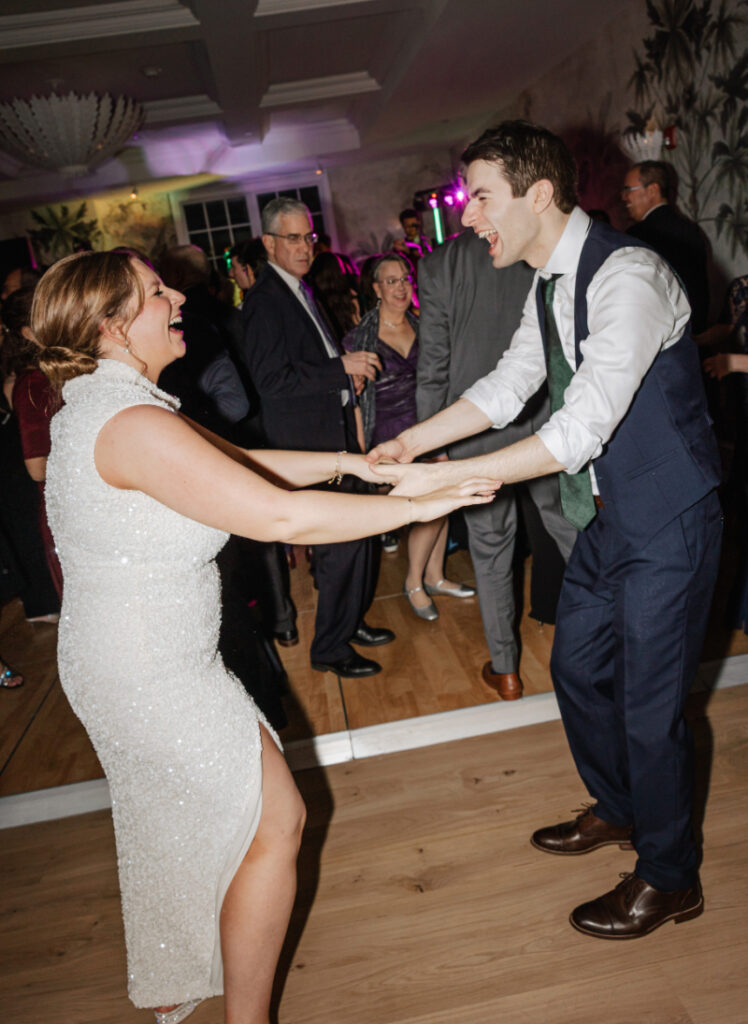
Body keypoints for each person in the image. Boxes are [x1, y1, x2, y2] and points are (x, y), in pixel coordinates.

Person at [34, 249, 496, 1024]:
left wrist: (361, 466)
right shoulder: (129, 421)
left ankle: (190, 985)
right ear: (114, 326)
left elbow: (239, 461)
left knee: (192, 825)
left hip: (134, 659)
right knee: (275, 819)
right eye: (155, 292)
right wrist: (417, 508)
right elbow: (276, 516)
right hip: (148, 672)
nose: (178, 294)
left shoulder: (108, 406)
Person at [369, 120, 722, 940]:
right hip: (608, 516)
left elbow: (576, 431)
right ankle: (625, 809)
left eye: (481, 198)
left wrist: (448, 480)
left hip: (667, 519)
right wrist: (413, 442)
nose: (467, 219)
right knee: (573, 667)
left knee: (649, 709)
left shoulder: (627, 277)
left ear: (538, 194)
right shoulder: (546, 282)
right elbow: (510, 384)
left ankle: (671, 879)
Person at [417, 229, 576, 697]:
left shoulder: (438, 263)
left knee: (490, 552)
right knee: (568, 530)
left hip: (473, 430)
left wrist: (431, 439)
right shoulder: (533, 245)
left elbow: (434, 363)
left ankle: (506, 671)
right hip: (543, 419)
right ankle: (609, 637)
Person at [238, 197, 392, 679]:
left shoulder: (297, 290)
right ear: (268, 244)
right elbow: (270, 382)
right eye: (293, 238)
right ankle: (329, 648)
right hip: (309, 446)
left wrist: (346, 381)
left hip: (333, 433)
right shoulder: (265, 300)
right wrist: (339, 368)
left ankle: (349, 622)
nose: (306, 246)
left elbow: (311, 366)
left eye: (309, 236)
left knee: (357, 538)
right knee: (342, 544)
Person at [344, 252, 475, 620]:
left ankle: (435, 576)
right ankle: (414, 582)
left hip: (433, 426)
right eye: (391, 281)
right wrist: (358, 448)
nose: (401, 287)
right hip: (389, 433)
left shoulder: (425, 326)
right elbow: (353, 400)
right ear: (376, 289)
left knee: (445, 500)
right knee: (425, 509)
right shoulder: (361, 337)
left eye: (405, 279)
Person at [622, 160, 710, 332]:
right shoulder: (691, 230)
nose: (624, 197)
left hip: (658, 334)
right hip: (693, 332)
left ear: (653, 190)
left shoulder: (638, 235)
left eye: (628, 190)